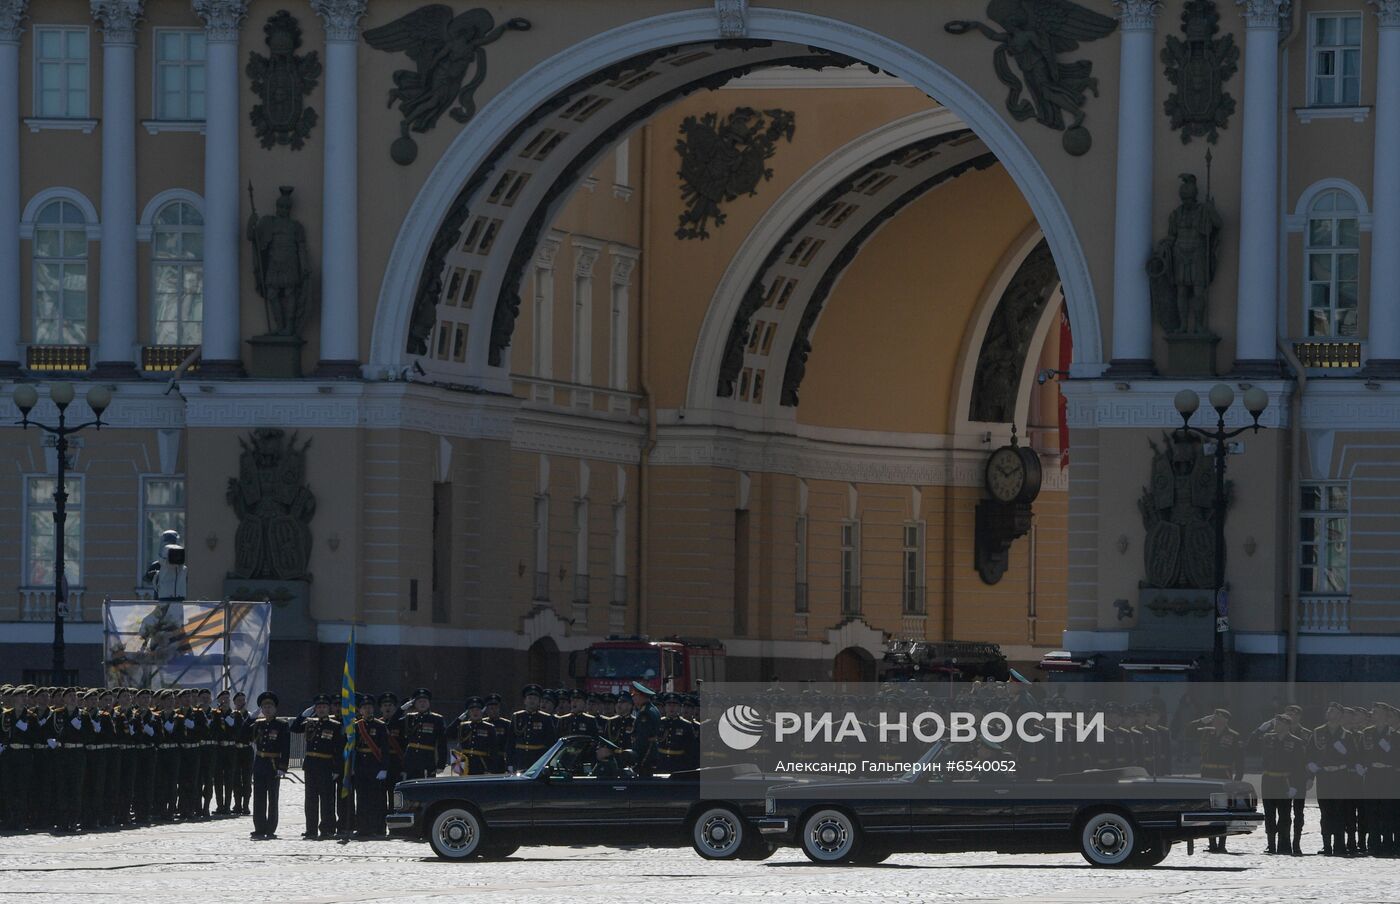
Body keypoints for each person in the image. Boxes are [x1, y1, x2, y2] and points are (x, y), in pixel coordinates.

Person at [290, 693, 343, 840]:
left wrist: (337, 769)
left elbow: (338, 749)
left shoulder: (335, 726)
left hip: (326, 765)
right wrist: (304, 714)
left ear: (328, 709)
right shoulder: (310, 723)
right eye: (318, 707)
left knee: (327, 799)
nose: (321, 710)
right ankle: (311, 828)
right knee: (310, 800)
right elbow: (294, 728)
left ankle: (327, 828)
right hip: (311, 765)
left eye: (324, 707)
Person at [1197, 707, 1243, 853]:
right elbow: (1187, 730)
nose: (1215, 720)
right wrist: (1201, 720)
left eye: (1218, 718)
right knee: (1209, 809)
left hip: (1223, 774)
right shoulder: (1206, 731)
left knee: (1223, 810)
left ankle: (1222, 843)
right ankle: (1212, 843)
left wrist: (1238, 779)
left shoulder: (1233, 736)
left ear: (1225, 720)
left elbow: (1239, 760)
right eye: (1214, 717)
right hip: (1207, 774)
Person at [250, 692, 290, 840]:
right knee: (258, 798)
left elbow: (286, 747)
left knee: (272, 798)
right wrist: (250, 718)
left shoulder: (281, 725)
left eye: (270, 707)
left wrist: (282, 767)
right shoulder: (258, 724)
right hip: (260, 763)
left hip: (273, 764)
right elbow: (242, 735)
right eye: (264, 707)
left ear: (275, 709)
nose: (267, 709)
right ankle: (259, 827)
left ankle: (271, 827)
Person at [350, 693, 391, 838]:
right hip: (361, 766)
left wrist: (384, 768)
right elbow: (352, 748)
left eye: (369, 707)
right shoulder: (356, 726)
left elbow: (385, 749)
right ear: (360, 710)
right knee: (361, 799)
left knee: (377, 800)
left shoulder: (380, 726)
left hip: (376, 766)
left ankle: (378, 828)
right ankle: (362, 828)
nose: (367, 710)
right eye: (364, 708)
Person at [401, 688, 449, 779]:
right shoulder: (410, 717)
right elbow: (392, 724)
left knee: (426, 788)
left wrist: (441, 764)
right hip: (411, 760)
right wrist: (402, 709)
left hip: (427, 759)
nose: (422, 704)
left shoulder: (437, 719)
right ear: (414, 704)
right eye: (419, 701)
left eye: (425, 701)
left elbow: (442, 743)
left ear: (429, 703)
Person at [508, 685, 556, 772]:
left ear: (539, 702)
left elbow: (550, 742)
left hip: (537, 759)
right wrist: (510, 763)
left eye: (535, 698)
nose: (532, 701)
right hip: (519, 759)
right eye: (529, 698)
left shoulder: (546, 718)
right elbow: (510, 742)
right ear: (525, 701)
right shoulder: (517, 716)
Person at [453, 697, 498, 777]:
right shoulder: (463, 726)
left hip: (481, 764)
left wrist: (491, 769)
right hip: (464, 763)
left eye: (477, 710)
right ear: (468, 712)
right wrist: (459, 719)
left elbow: (493, 749)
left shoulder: (489, 727)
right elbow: (448, 733)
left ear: (482, 712)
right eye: (472, 710)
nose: (475, 713)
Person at [229, 692, 255, 815]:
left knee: (247, 778)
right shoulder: (231, 716)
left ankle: (246, 805)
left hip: (247, 748)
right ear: (234, 702)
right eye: (239, 700)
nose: (242, 702)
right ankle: (237, 803)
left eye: (243, 700)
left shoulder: (250, 716)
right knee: (235, 778)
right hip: (235, 749)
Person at [629, 681, 661, 777]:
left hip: (645, 757)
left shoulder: (645, 713)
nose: (633, 697)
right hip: (650, 755)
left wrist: (638, 761)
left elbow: (642, 739)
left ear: (641, 696)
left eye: (634, 694)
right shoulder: (652, 708)